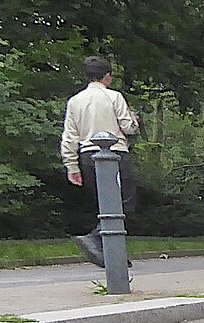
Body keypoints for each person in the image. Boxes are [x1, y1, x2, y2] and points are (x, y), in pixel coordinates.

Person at [60, 56, 139, 268]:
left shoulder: (75, 101)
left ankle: (114, 255)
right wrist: (134, 120)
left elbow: (69, 136)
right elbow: (128, 127)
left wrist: (71, 166)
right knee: (125, 203)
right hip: (115, 154)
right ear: (107, 76)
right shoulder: (114, 97)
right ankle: (95, 238)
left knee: (103, 205)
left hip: (87, 156)